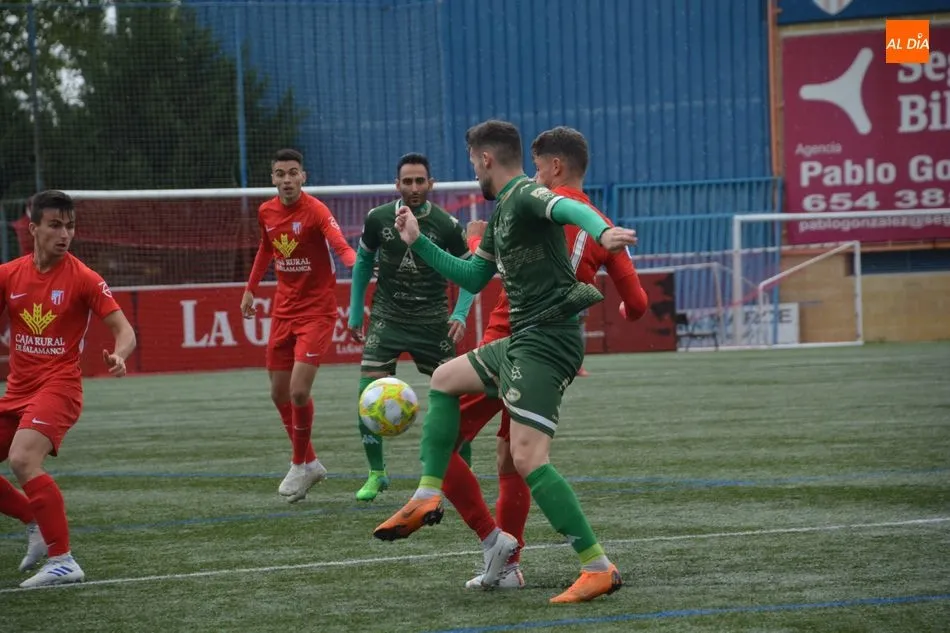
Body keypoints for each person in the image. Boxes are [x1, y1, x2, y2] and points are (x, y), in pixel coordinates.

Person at [373, 120, 636, 603]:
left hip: (547, 344)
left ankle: (597, 566)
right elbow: (472, 277)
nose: (473, 170)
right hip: (520, 339)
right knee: (445, 378)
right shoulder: (500, 215)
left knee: (527, 458)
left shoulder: (527, 194)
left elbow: (567, 207)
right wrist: (418, 241)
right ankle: (428, 495)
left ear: (486, 159)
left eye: (473, 162)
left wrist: (604, 230)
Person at [441, 126, 650, 590]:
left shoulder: (530, 204)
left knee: (447, 442)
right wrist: (625, 309)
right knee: (512, 456)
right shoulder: (597, 221)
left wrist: (474, 242)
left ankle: (490, 540)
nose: (533, 175)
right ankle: (510, 562)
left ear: (555, 167)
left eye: (537, 168)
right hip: (555, 347)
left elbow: (491, 266)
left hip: (512, 337)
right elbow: (637, 303)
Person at [0, 190, 137, 588]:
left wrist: (120, 355)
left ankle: (63, 560)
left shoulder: (83, 278)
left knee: (23, 458)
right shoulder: (8, 275)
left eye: (70, 226)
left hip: (59, 388)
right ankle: (34, 519)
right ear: (33, 229)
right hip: (17, 391)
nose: (65, 234)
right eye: (55, 225)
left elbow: (125, 330)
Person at [347, 153, 475, 502]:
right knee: (366, 398)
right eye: (408, 181)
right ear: (397, 185)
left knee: (457, 403)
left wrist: (461, 313)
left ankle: (464, 476)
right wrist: (356, 311)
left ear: (431, 184)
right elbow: (363, 262)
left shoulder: (448, 225)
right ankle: (376, 474)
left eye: (420, 181)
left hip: (433, 323)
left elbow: (470, 274)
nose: (414, 187)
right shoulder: (378, 218)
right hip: (387, 318)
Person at [241, 149, 356, 503]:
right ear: (273, 178)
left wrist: (359, 264)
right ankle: (311, 463)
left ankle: (298, 464)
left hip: (317, 312)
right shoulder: (266, 212)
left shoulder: (317, 210)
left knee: (298, 392)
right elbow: (266, 249)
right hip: (283, 312)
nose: (287, 179)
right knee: (278, 393)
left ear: (303, 177)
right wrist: (250, 288)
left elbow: (340, 246)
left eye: (293, 173)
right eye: (280, 174)